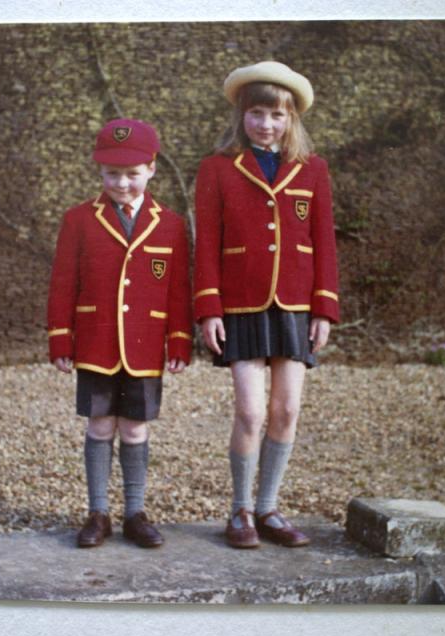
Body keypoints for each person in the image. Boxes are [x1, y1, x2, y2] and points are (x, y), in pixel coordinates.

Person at [193, 61, 340, 549]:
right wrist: (208, 308)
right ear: (242, 114)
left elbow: (323, 242)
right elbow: (206, 244)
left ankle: (270, 508)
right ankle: (240, 511)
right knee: (251, 413)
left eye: (277, 114)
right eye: (256, 112)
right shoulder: (217, 169)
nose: (266, 123)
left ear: (292, 118)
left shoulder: (313, 169)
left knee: (288, 409)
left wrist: (324, 309)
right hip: (240, 304)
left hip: (296, 303)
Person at [47, 118, 192, 548]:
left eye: (132, 174)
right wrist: (60, 337)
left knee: (134, 429)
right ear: (99, 172)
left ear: (150, 169)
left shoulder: (170, 224)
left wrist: (180, 340)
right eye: (112, 174)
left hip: (146, 347)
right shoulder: (78, 220)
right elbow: (62, 284)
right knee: (99, 424)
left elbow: (178, 290)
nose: (122, 184)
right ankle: (97, 512)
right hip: (95, 342)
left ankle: (135, 512)